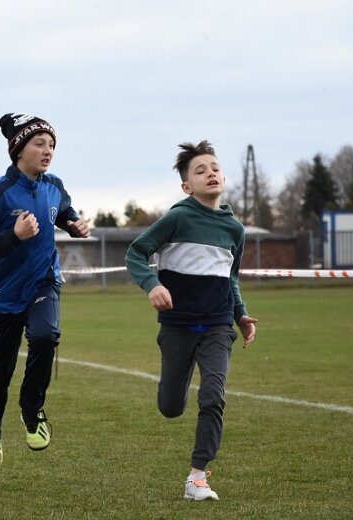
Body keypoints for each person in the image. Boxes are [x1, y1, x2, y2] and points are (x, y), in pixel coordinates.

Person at [125, 140, 258, 501]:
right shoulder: (178, 218)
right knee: (171, 407)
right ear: (187, 186)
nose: (210, 173)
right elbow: (136, 253)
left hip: (217, 326)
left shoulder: (235, 230)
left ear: (223, 176)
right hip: (178, 325)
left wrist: (240, 314)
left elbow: (230, 278)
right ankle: (173, 391)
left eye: (214, 167)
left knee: (213, 397)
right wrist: (152, 284)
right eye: (200, 170)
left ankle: (197, 477)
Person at [0, 113, 90, 473]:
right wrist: (12, 236)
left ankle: (32, 411)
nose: (47, 150)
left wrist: (74, 224)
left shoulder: (55, 185)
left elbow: (63, 210)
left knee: (46, 336)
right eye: (39, 143)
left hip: (43, 281)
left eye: (51, 144)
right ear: (18, 148)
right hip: (3, 293)